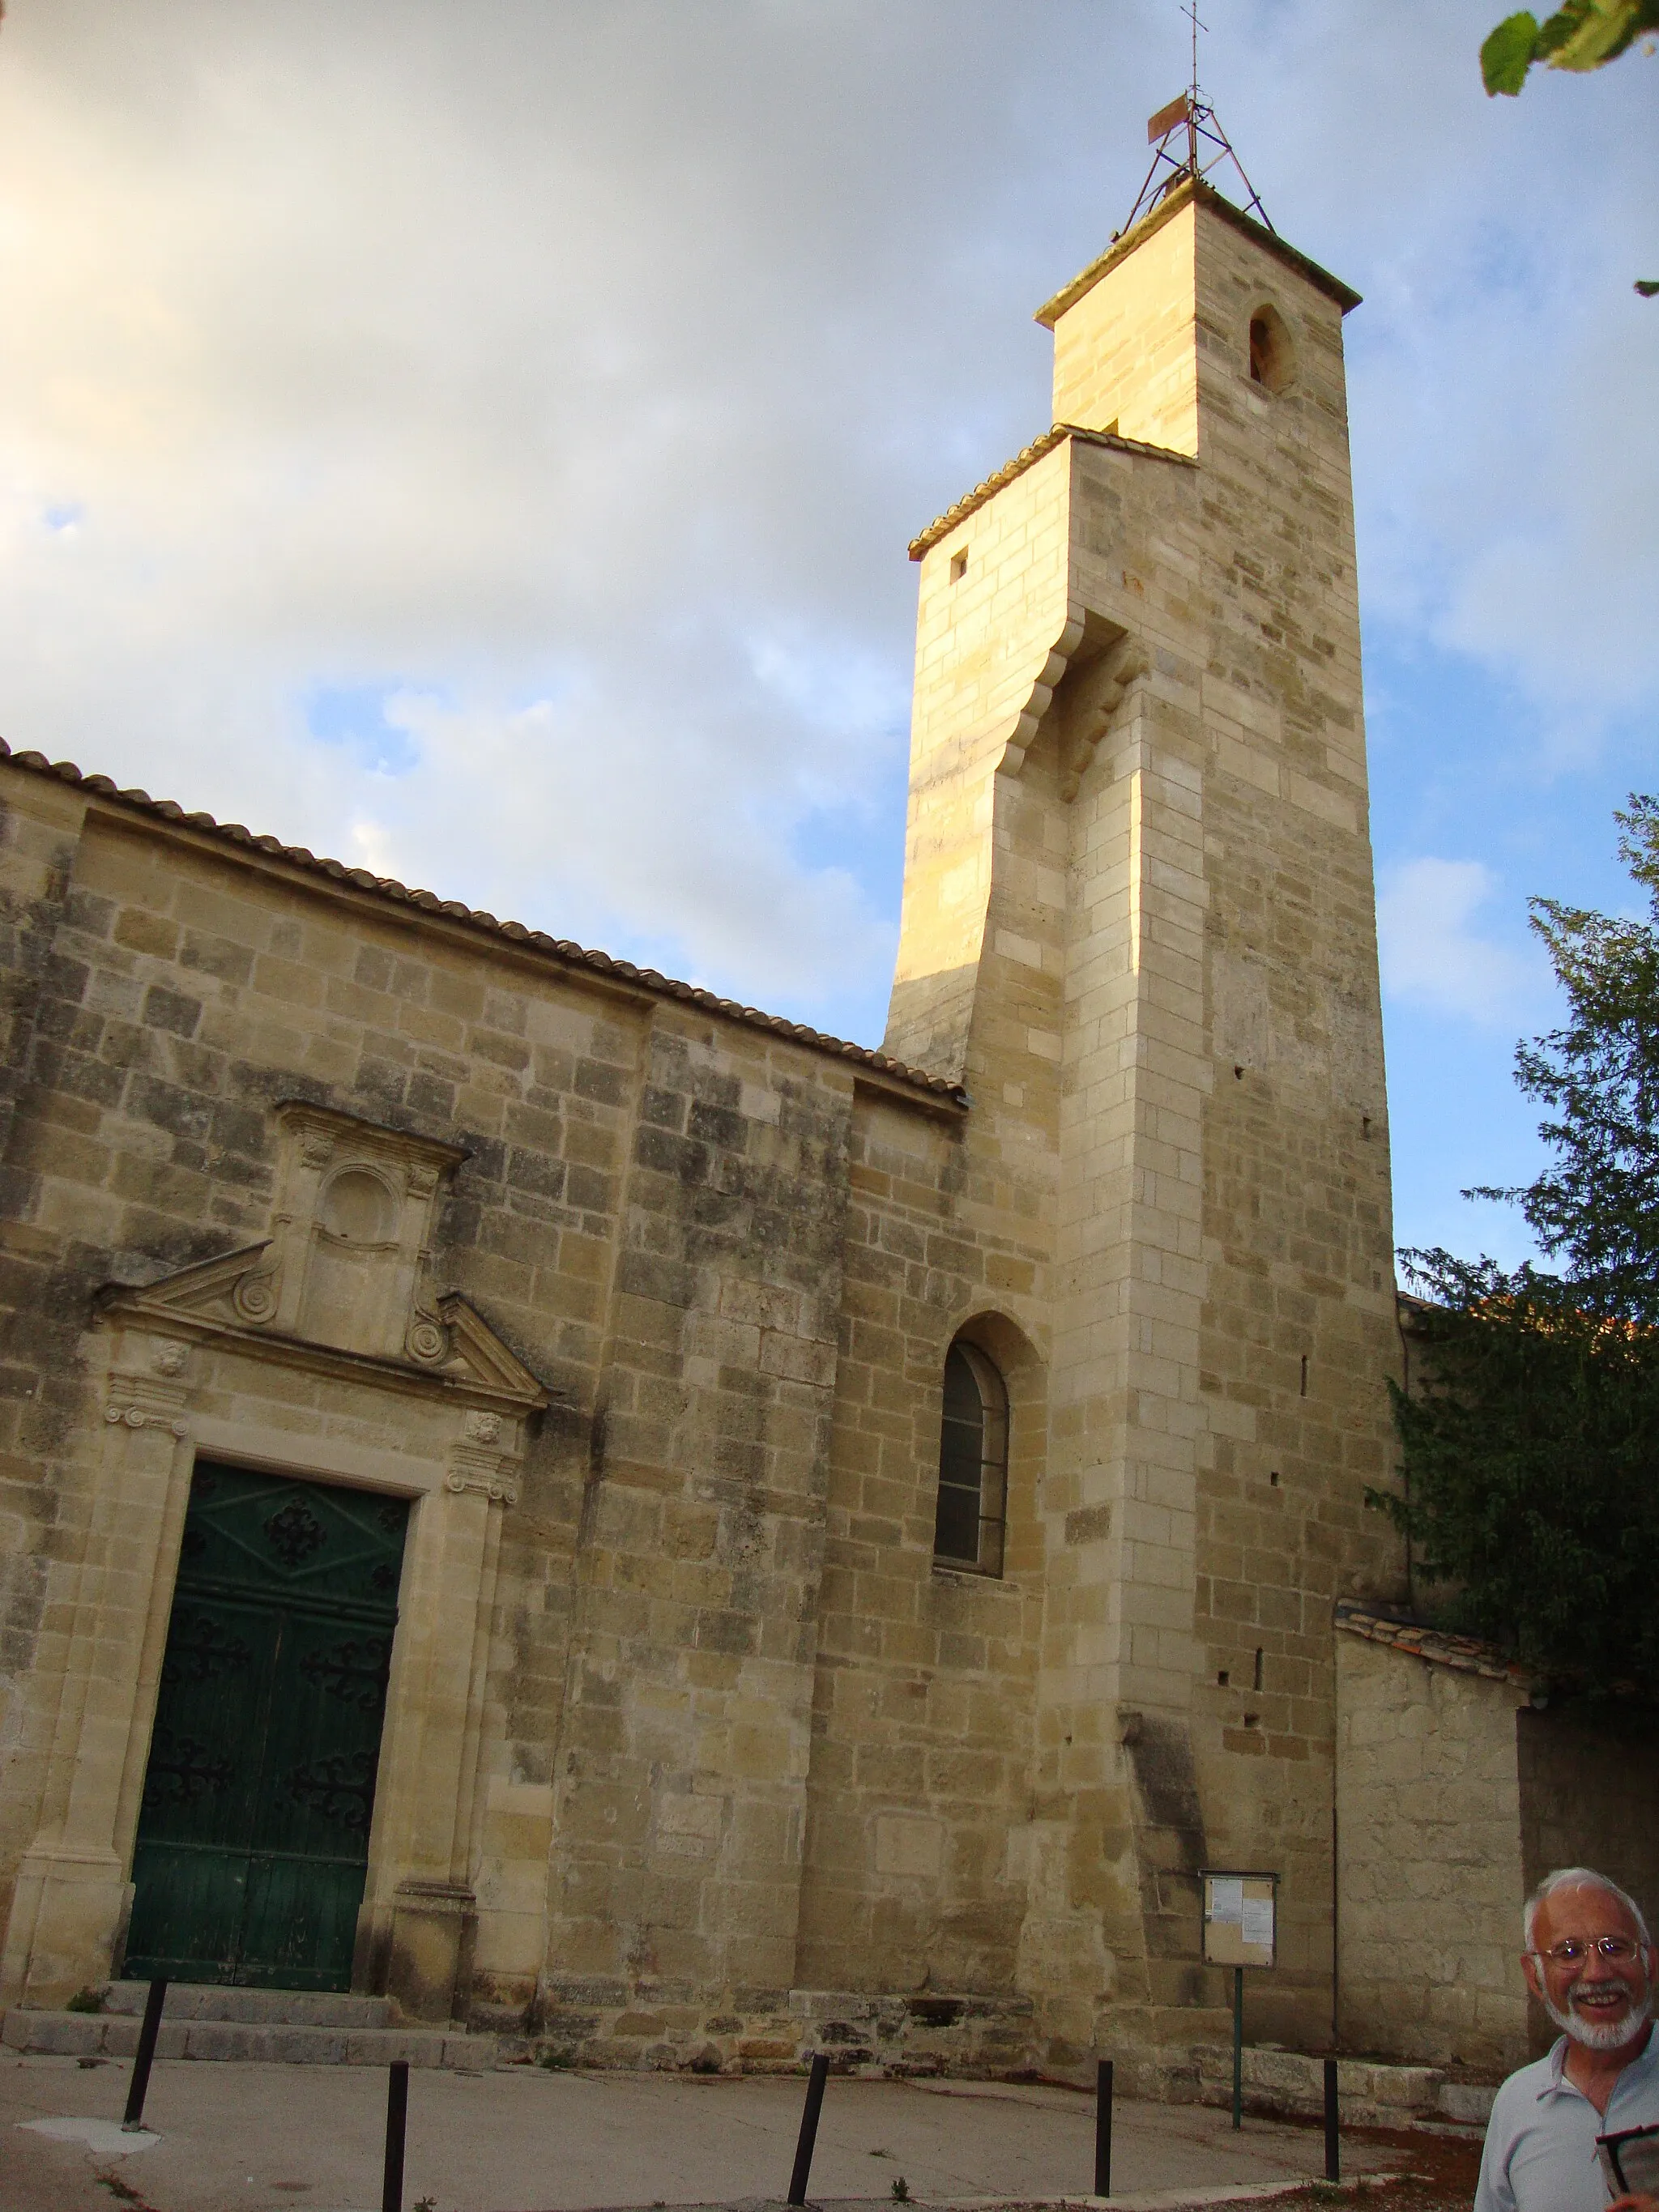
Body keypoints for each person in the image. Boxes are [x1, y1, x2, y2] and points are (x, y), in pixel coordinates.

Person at [1475, 1867, 1659, 2212]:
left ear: (1650, 1963)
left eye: (1615, 1947)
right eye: (1569, 1953)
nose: (1597, 1973)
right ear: (1535, 1977)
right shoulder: (1517, 2103)